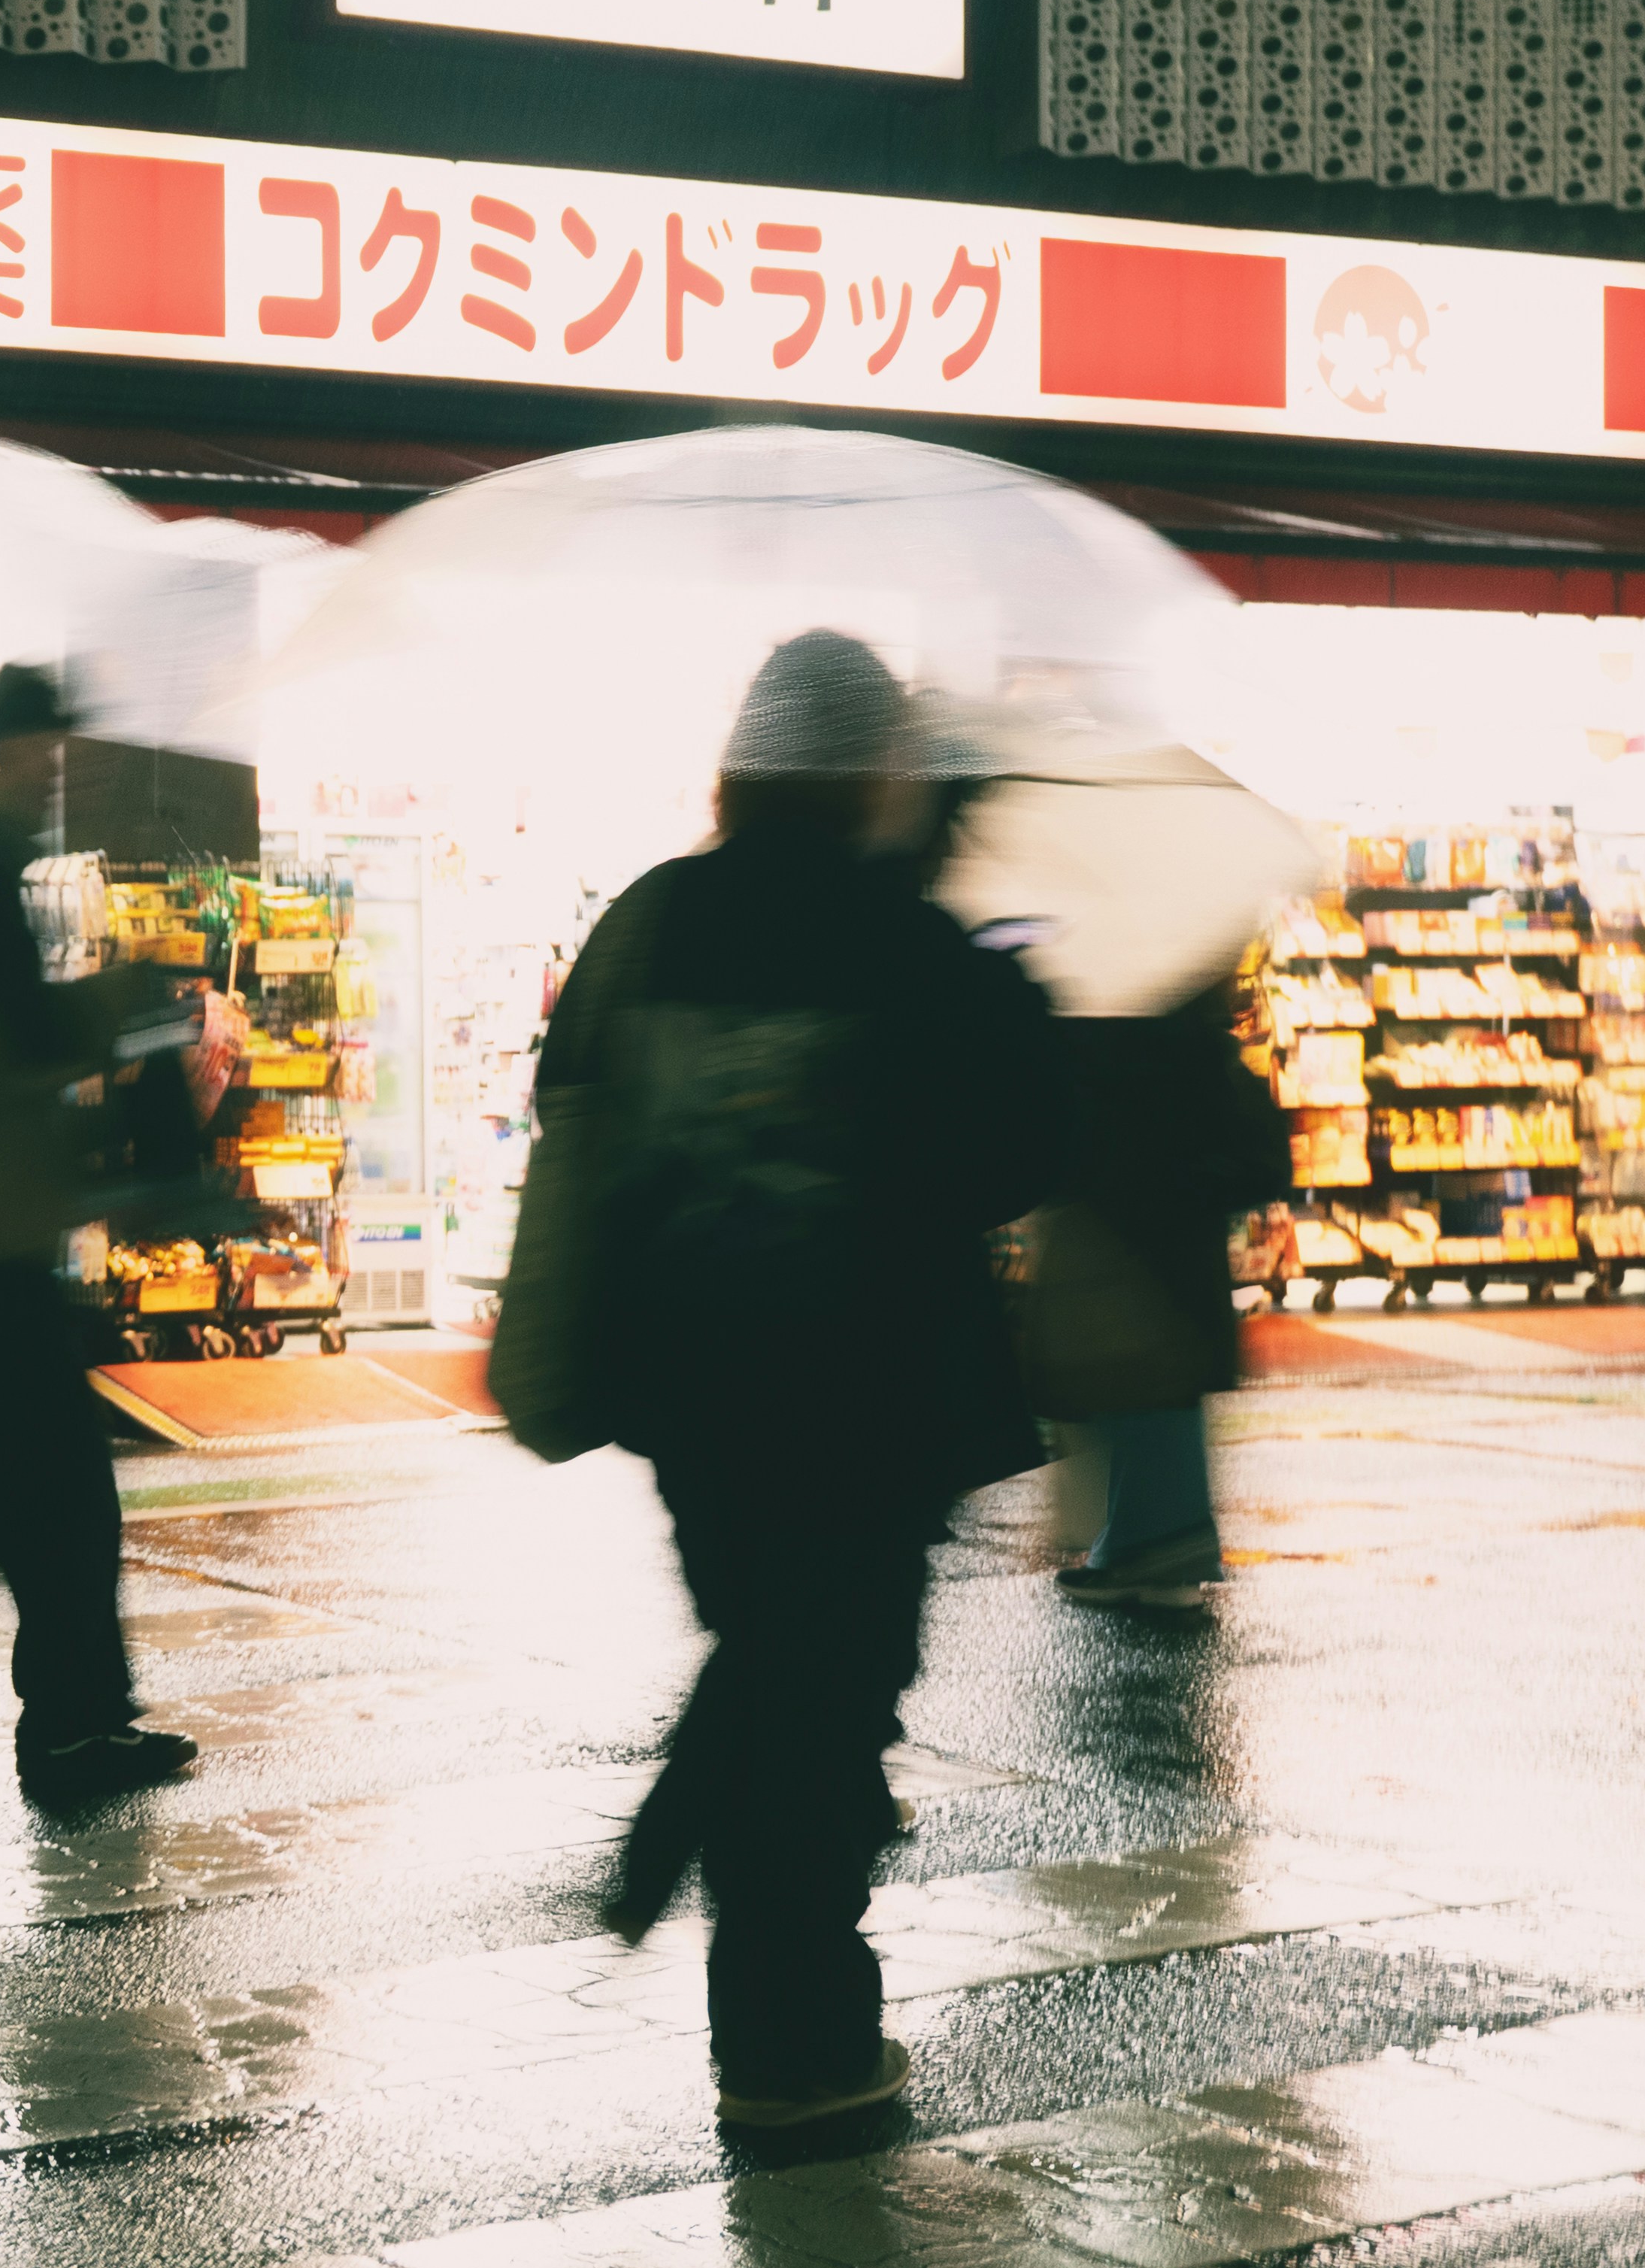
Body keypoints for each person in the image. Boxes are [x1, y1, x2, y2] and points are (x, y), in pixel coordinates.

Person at [499, 634, 1059, 2131]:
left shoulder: (656, 918)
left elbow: (566, 1101)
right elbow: (1013, 1151)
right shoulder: (904, 936)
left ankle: (756, 1989)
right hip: (869, 1391)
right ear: (876, 769)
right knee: (827, 1703)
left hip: (692, 1389)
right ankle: (795, 2040)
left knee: (770, 1657)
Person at [0, 665, 204, 1793]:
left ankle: (79, 1716)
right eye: (55, 752)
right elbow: (16, 1041)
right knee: (54, 1488)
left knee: (57, 1483)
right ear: (16, 750)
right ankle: (66, 1725)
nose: (67, 773)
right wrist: (120, 1009)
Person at [1038, 980, 1281, 1605]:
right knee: (1155, 1391)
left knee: (1138, 1384)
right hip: (1179, 1245)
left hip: (1131, 1239)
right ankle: (1139, 1547)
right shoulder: (1190, 1028)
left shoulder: (1117, 1026)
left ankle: (1152, 1551)